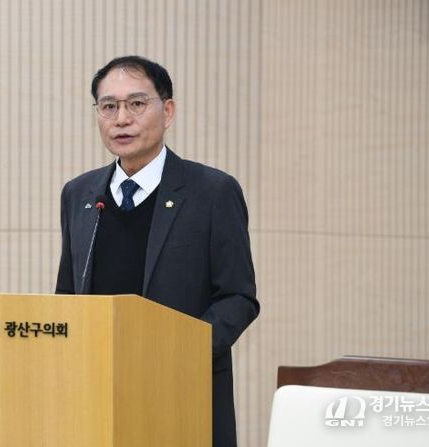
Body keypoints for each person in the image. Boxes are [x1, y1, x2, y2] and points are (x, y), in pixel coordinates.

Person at [55, 55, 259, 447]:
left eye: (136, 103)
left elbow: (238, 298)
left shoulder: (212, 192)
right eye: (108, 106)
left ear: (167, 112)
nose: (121, 119)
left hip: (182, 392)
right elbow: (68, 293)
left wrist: (178, 352)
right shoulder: (79, 194)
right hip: (95, 394)